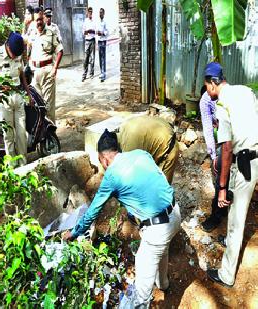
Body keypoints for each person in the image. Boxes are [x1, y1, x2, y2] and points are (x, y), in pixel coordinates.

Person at [63, 129, 181, 307]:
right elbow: (156, 180)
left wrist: (74, 233)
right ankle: (163, 284)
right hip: (175, 214)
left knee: (142, 290)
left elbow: (93, 211)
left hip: (158, 229)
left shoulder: (112, 176)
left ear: (103, 158)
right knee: (162, 251)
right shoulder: (141, 154)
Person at [204, 62, 258, 288]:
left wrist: (222, 186)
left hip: (246, 161)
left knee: (236, 218)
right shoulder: (245, 91)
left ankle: (226, 275)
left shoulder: (223, 105)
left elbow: (226, 149)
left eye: (207, 86)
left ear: (212, 84)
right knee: (237, 206)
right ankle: (230, 240)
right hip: (252, 154)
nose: (207, 91)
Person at [0, 32, 32, 166]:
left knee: (21, 133)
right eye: (12, 53)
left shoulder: (18, 53)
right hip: (3, 99)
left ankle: (23, 165)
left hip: (17, 96)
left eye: (17, 54)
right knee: (8, 135)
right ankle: (12, 167)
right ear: (7, 45)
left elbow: (22, 76)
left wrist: (28, 94)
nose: (15, 56)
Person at [199, 85, 228, 232]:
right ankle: (223, 208)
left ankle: (216, 215)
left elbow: (209, 130)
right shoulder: (219, 95)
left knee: (220, 176)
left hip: (232, 141)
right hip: (231, 140)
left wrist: (214, 156)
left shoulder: (207, 100)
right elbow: (210, 129)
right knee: (223, 174)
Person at [118, 115, 179, 184]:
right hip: (162, 136)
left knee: (161, 189)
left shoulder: (129, 148)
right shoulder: (124, 126)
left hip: (169, 150)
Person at [30, 9, 63, 122]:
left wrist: (55, 69)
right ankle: (41, 134)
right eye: (36, 20)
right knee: (37, 106)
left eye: (40, 19)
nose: (38, 22)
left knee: (48, 106)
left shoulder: (51, 32)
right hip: (35, 73)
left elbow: (60, 50)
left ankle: (51, 136)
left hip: (47, 71)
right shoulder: (32, 33)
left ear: (43, 18)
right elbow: (26, 46)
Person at [82, 7, 96, 82]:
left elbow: (96, 31)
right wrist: (87, 31)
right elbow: (83, 32)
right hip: (87, 41)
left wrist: (91, 31)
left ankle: (91, 74)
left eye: (91, 12)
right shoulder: (85, 21)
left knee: (92, 58)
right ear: (87, 13)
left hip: (93, 40)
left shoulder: (94, 21)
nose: (90, 13)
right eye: (89, 12)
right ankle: (84, 74)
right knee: (86, 58)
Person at [97, 8, 108, 82]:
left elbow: (107, 31)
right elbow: (96, 30)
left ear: (104, 14)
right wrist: (97, 32)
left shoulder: (105, 22)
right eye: (99, 13)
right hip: (99, 41)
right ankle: (101, 72)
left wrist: (103, 33)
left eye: (101, 13)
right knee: (100, 58)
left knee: (103, 58)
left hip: (103, 41)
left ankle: (103, 74)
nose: (100, 14)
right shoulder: (98, 22)